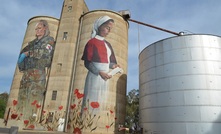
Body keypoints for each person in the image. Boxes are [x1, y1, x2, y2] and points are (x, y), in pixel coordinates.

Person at [17, 20, 55, 122]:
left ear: (45, 28)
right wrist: (21, 61)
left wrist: (29, 53)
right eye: (36, 29)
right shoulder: (32, 43)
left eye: (39, 28)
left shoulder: (49, 40)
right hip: (26, 76)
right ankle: (18, 122)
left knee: (33, 102)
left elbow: (46, 53)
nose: (37, 30)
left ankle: (31, 123)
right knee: (21, 100)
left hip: (37, 76)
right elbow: (22, 54)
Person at [81, 15, 120, 109]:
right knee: (91, 103)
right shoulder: (92, 42)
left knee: (101, 104)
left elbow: (108, 61)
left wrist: (114, 65)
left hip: (105, 77)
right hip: (95, 77)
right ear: (100, 27)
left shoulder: (108, 44)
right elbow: (87, 62)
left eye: (110, 29)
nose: (109, 31)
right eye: (107, 28)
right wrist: (99, 72)